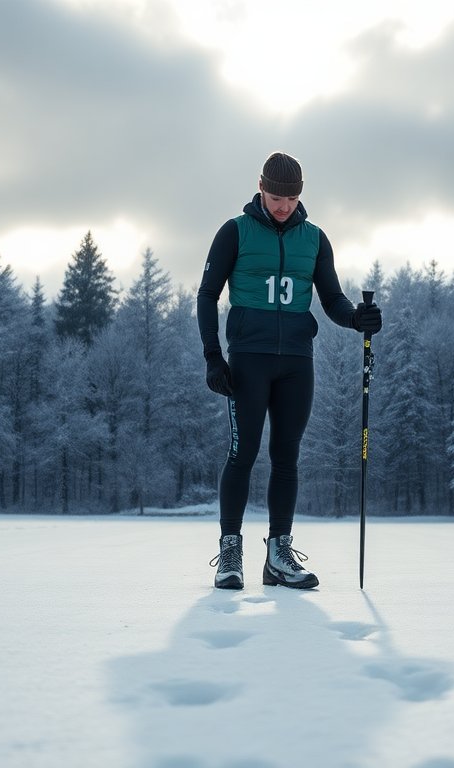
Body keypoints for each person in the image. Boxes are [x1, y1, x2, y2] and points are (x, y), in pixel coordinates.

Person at [198, 151, 382, 590]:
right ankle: (230, 553)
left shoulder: (315, 238)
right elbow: (207, 295)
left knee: (287, 457)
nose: (284, 206)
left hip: (297, 362)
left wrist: (357, 318)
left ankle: (279, 554)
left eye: (292, 198)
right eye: (277, 196)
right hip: (248, 358)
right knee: (242, 454)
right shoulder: (234, 232)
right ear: (261, 188)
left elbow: (332, 299)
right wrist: (213, 357)